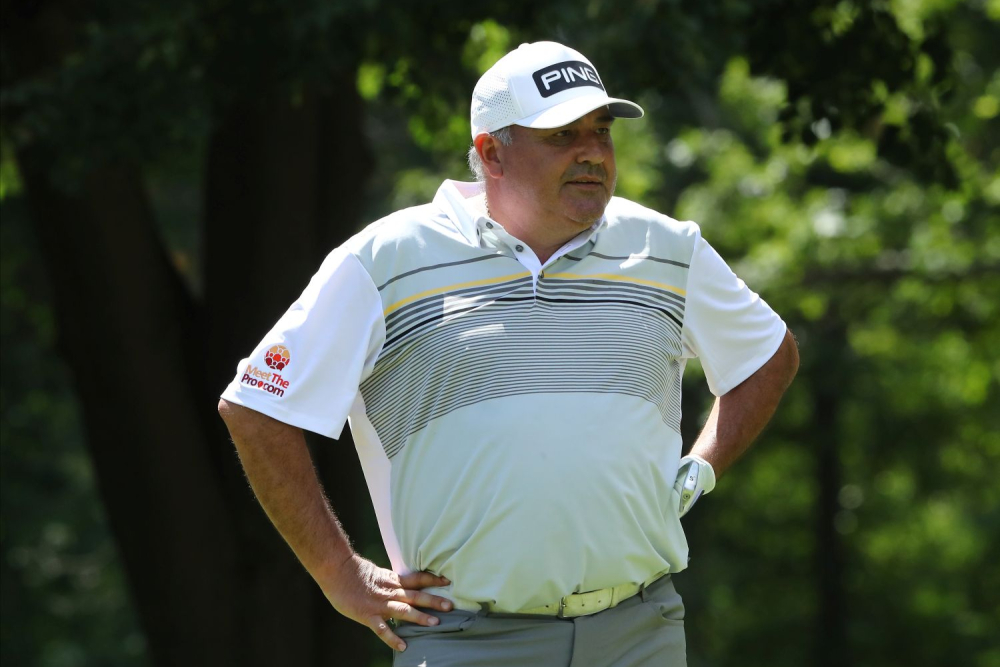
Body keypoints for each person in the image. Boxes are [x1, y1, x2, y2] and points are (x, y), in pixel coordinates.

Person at [218, 41, 799, 667]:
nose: (591, 153)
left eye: (601, 133)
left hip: (641, 632)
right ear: (492, 152)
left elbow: (769, 354)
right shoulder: (384, 260)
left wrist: (703, 465)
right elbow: (256, 408)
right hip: (467, 640)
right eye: (562, 135)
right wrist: (339, 573)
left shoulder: (666, 249)